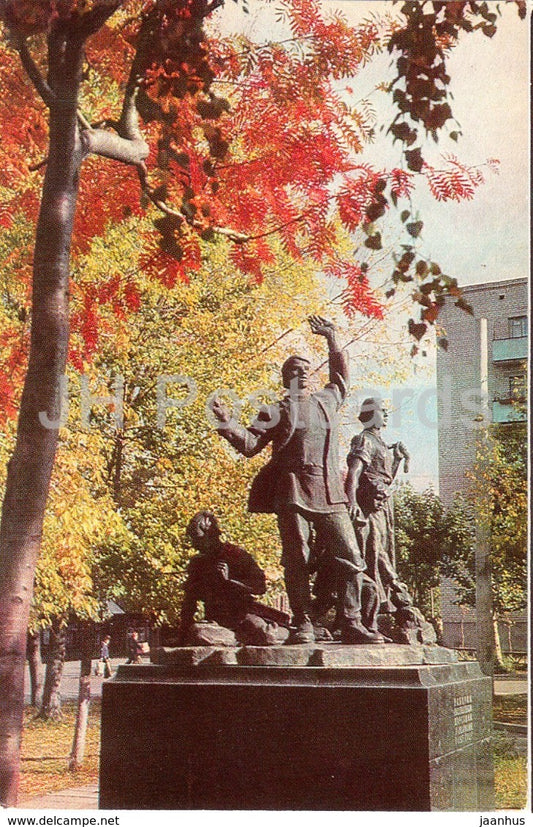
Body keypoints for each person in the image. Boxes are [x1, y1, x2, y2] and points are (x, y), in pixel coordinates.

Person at [211, 315, 383, 645]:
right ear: (285, 378)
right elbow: (249, 445)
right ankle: (303, 622)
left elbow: (341, 377)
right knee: (297, 558)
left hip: (330, 491)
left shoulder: (327, 399)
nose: (301, 372)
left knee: (351, 555)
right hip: (292, 491)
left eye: (306, 368)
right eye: (293, 369)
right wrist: (226, 423)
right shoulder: (275, 409)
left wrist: (332, 338)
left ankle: (351, 621)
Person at [177, 511, 290, 646]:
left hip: (242, 615)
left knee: (266, 635)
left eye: (199, 539)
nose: (195, 545)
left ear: (211, 535)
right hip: (217, 621)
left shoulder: (236, 555)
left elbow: (260, 588)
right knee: (199, 633)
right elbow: (189, 603)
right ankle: (236, 639)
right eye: (193, 540)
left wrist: (230, 581)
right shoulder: (197, 563)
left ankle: (284, 632)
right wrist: (183, 633)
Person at [345, 397, 409, 611]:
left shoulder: (380, 442)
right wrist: (352, 501)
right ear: (372, 414)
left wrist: (398, 460)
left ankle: (387, 596)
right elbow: (354, 473)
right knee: (374, 549)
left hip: (382, 504)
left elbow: (386, 478)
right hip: (368, 505)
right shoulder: (364, 439)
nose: (387, 414)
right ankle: (390, 588)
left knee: (384, 546)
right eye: (383, 411)